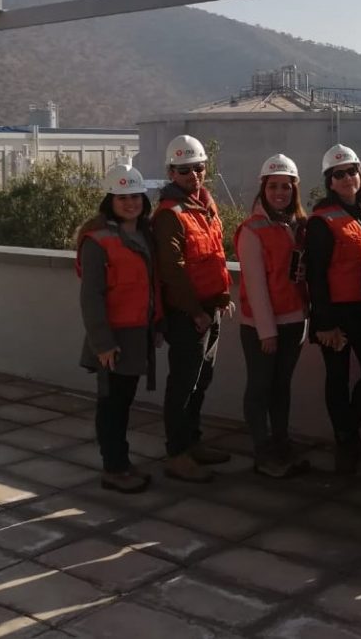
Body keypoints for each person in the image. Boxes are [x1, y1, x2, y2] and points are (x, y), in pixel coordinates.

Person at [77, 163, 160, 493]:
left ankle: (120, 462)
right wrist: (103, 343)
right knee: (112, 406)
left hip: (138, 333)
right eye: (122, 197)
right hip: (113, 339)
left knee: (123, 404)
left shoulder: (145, 235)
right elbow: (91, 297)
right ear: (110, 200)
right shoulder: (97, 241)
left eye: (135, 196)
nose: (130, 203)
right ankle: (114, 468)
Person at [153, 134, 232, 483]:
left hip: (210, 309)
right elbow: (173, 271)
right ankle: (177, 454)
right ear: (171, 173)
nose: (193, 175)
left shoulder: (204, 206)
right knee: (183, 384)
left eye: (198, 168)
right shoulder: (169, 215)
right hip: (189, 315)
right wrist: (196, 312)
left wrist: (221, 298)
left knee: (202, 380)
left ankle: (192, 442)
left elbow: (213, 257)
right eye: (184, 170)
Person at [305, 143, 361, 474]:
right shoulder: (321, 221)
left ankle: (349, 424)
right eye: (338, 174)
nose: (347, 178)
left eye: (351, 171)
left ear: (359, 174)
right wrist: (324, 323)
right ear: (330, 181)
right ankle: (346, 442)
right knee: (337, 378)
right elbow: (315, 275)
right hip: (336, 313)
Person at [234, 154, 310, 478]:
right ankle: (262, 452)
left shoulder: (298, 225)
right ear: (263, 188)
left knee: (281, 388)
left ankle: (282, 445)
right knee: (260, 388)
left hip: (294, 321)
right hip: (262, 328)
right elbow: (255, 285)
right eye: (274, 186)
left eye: (286, 186)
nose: (280, 192)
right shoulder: (252, 230)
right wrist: (267, 331)